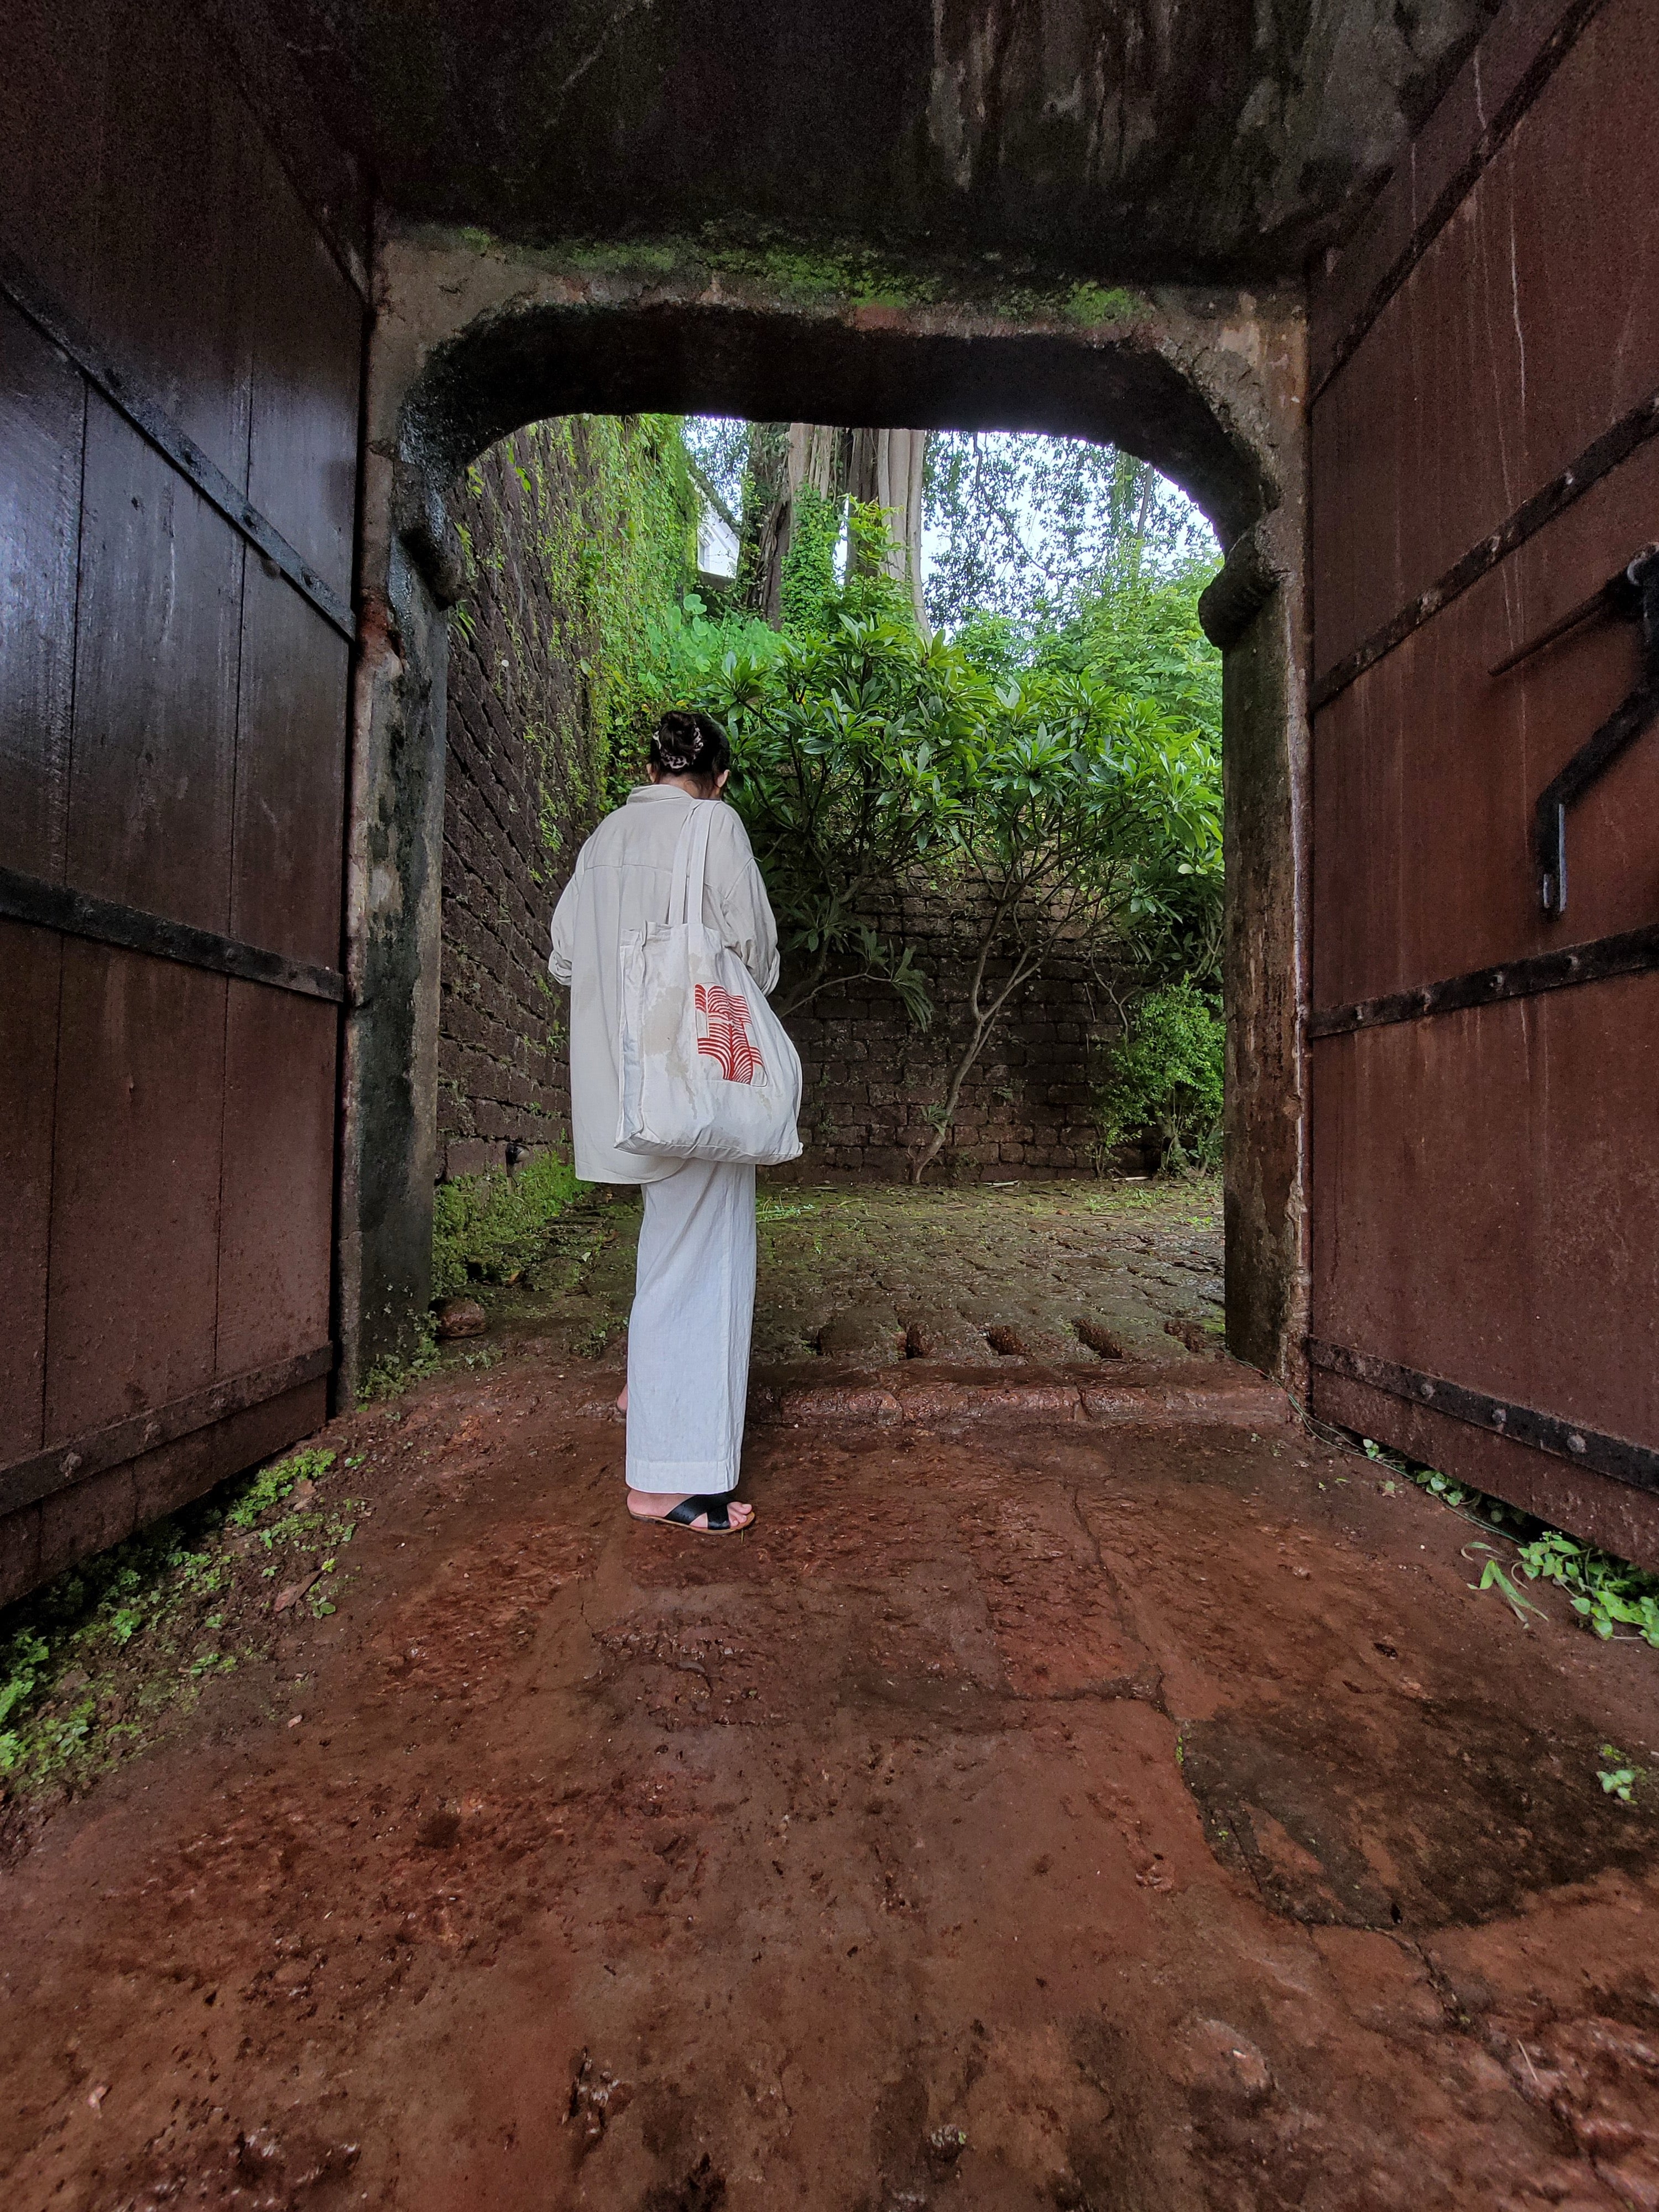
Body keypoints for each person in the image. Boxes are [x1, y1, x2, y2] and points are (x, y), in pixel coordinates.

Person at [548, 709, 779, 1533]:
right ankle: (663, 1480)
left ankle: (646, 1384)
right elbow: (755, 953)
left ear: (652, 766)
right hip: (690, 1079)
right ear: (717, 777)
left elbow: (566, 952)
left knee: (667, 1239)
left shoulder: (603, 836)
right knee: (702, 1260)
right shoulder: (713, 825)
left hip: (621, 1085)